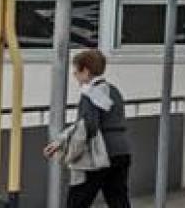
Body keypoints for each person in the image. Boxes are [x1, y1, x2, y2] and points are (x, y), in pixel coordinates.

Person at [43, 49, 132, 207]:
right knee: (118, 199)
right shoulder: (114, 91)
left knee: (78, 199)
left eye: (76, 71)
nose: (74, 75)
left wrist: (65, 146)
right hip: (121, 150)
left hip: (99, 154)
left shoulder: (89, 94)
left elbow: (87, 126)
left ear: (86, 70)